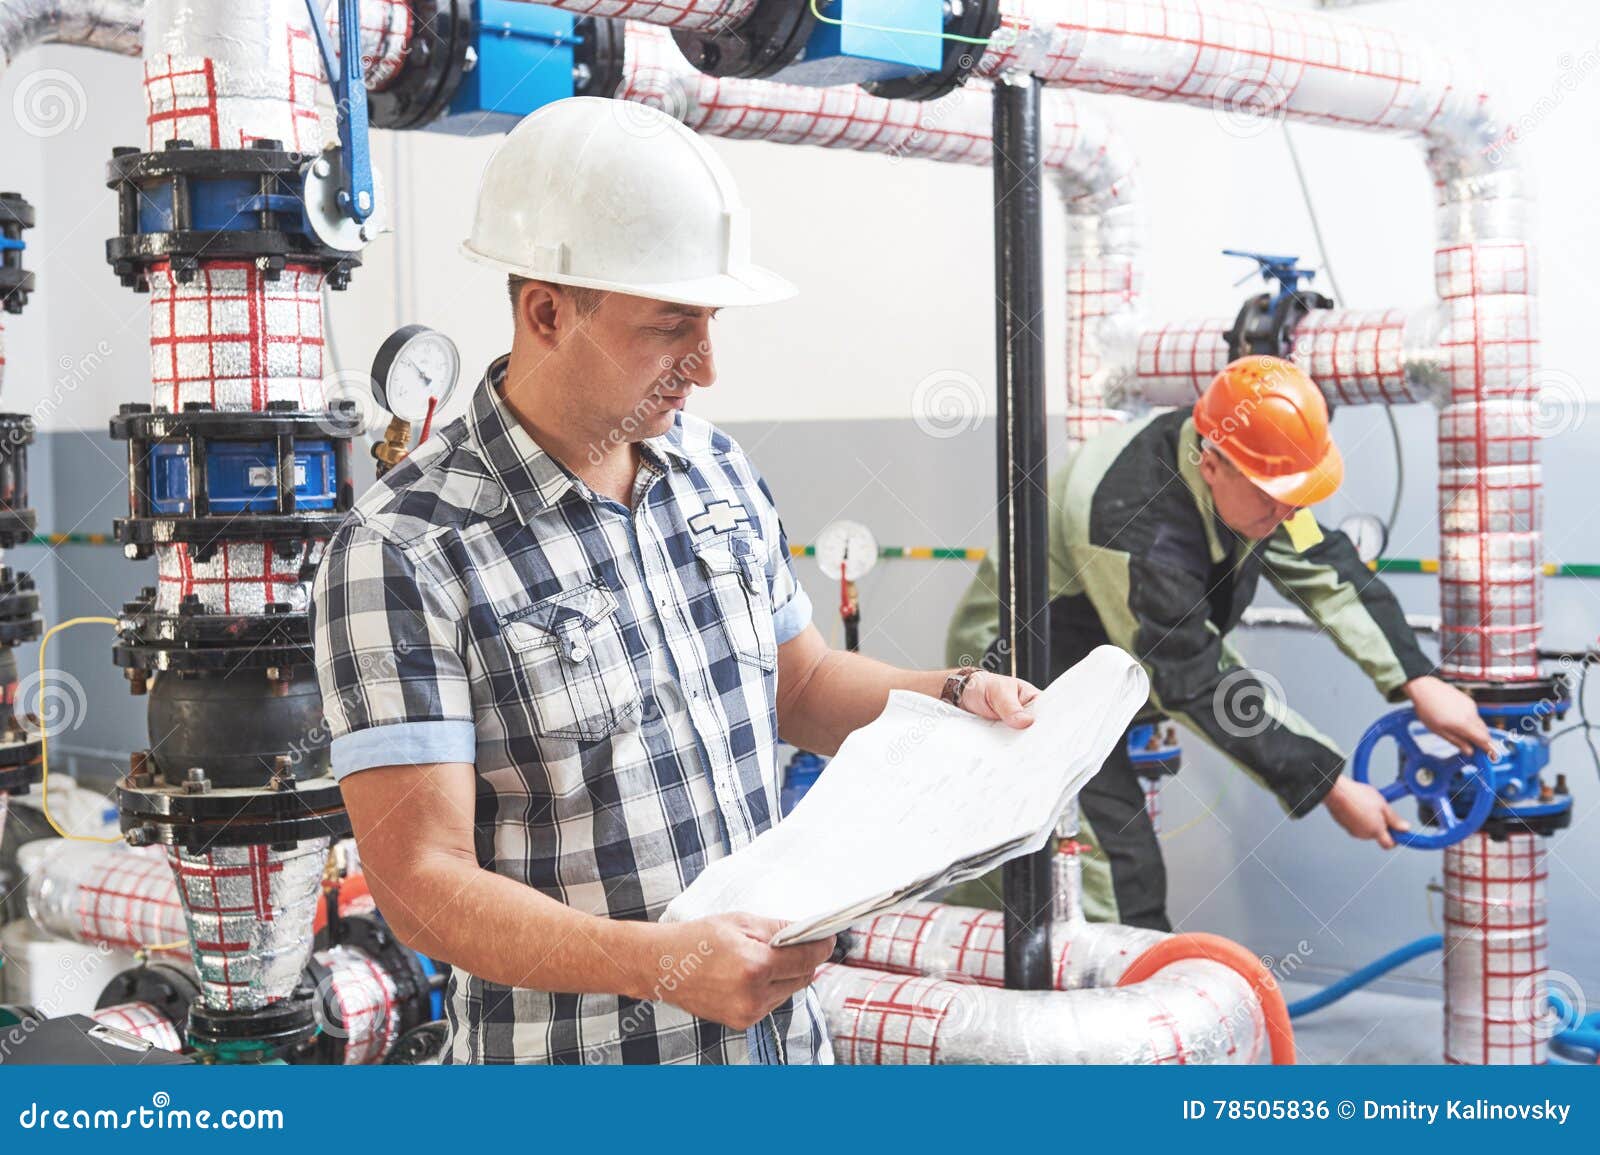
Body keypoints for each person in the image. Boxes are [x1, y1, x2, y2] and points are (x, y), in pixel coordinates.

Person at [309, 96, 1040, 1064]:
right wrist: (655, 963)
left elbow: (804, 685)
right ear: (546, 311)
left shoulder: (715, 474)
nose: (705, 365)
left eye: (710, 321)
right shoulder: (404, 548)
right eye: (669, 327)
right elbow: (418, 883)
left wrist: (951, 700)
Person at [945, 355, 1493, 931]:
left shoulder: (1255, 476)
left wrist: (1419, 679)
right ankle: (1088, 1005)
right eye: (1273, 498)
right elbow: (1193, 678)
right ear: (1211, 466)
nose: (1287, 514)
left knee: (1111, 863)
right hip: (1024, 677)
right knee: (1111, 870)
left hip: (1105, 657)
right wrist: (1329, 784)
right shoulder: (1136, 523)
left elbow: (1325, 569)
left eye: (1296, 497)